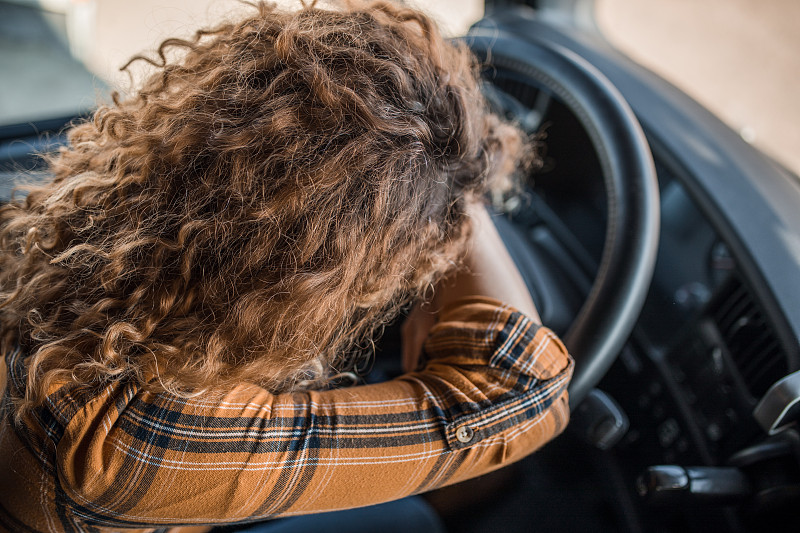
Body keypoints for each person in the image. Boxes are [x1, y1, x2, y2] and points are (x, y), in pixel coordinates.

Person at [0, 1, 573, 532]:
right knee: (415, 521)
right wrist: (460, 196)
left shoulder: (66, 234)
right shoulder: (135, 435)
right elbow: (521, 393)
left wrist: (437, 186)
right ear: (321, 271)